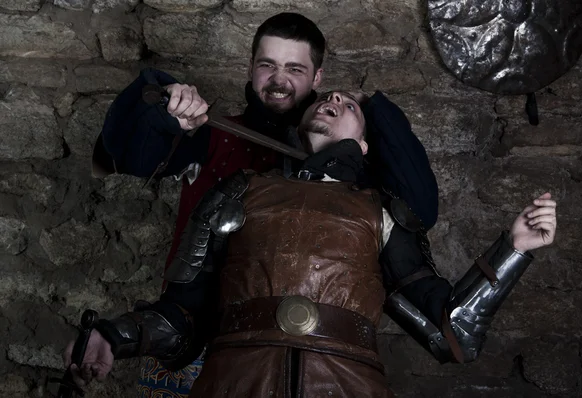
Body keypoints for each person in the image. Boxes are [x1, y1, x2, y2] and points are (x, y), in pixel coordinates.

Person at [66, 91, 557, 396]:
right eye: (327, 99)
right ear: (300, 125)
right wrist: (115, 336)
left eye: (349, 105)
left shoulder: (383, 210)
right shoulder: (237, 192)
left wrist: (513, 249)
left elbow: (451, 335)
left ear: (364, 147)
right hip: (235, 382)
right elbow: (182, 318)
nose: (334, 101)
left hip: (348, 385)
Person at [95, 11, 440, 396]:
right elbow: (130, 158)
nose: (279, 80)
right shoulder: (209, 133)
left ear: (317, 78)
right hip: (186, 332)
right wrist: (164, 105)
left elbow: (420, 211)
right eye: (267, 65)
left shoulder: (348, 165)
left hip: (305, 360)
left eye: (295, 68)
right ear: (251, 67)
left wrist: (368, 107)